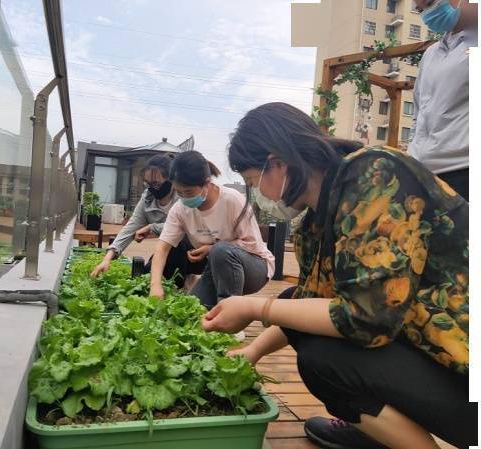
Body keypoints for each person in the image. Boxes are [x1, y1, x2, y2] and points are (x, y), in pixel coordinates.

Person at [202, 103, 475, 449]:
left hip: (464, 362)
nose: (259, 196)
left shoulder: (375, 174)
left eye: (254, 182)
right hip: (440, 354)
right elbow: (307, 302)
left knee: (325, 361)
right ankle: (377, 434)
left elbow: (365, 317)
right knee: (302, 317)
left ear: (278, 163)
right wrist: (252, 351)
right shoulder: (318, 219)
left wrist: (257, 309)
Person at [149, 150, 275, 312]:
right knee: (192, 311)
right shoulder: (179, 210)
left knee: (220, 250)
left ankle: (231, 314)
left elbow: (252, 245)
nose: (184, 197)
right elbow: (162, 248)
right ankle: (219, 310)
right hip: (215, 268)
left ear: (206, 184)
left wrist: (211, 248)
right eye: (179, 192)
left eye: (188, 192)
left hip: (255, 267)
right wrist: (156, 285)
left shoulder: (232, 200)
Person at [408, 0, 478, 201]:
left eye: (430, 3)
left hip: (464, 169)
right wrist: (413, 153)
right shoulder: (431, 54)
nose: (429, 14)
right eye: (421, 10)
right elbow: (418, 113)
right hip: (423, 173)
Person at [90, 154, 189, 287]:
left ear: (171, 180)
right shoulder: (148, 198)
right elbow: (131, 227)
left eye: (156, 184)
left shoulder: (182, 196)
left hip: (188, 250)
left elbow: (182, 227)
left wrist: (152, 227)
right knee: (147, 277)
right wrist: (108, 257)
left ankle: (185, 281)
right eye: (148, 183)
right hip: (165, 249)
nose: (152, 188)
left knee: (166, 276)